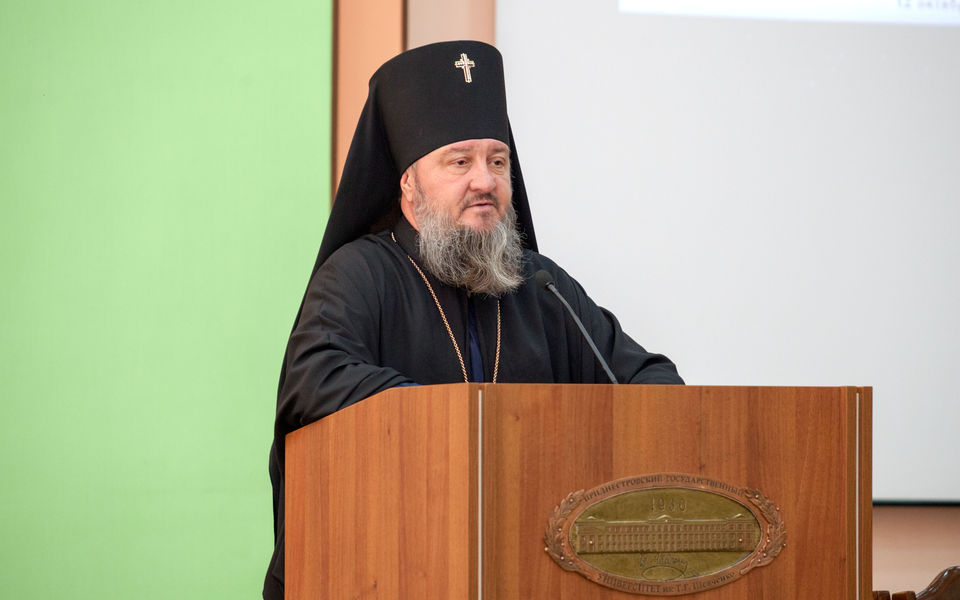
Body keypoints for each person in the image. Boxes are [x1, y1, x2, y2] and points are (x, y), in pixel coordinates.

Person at [263, 40, 682, 599]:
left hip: (530, 573)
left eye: (497, 161)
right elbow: (316, 378)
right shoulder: (361, 274)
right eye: (460, 162)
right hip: (394, 567)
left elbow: (650, 380)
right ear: (409, 183)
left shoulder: (540, 285)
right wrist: (457, 423)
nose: (485, 181)